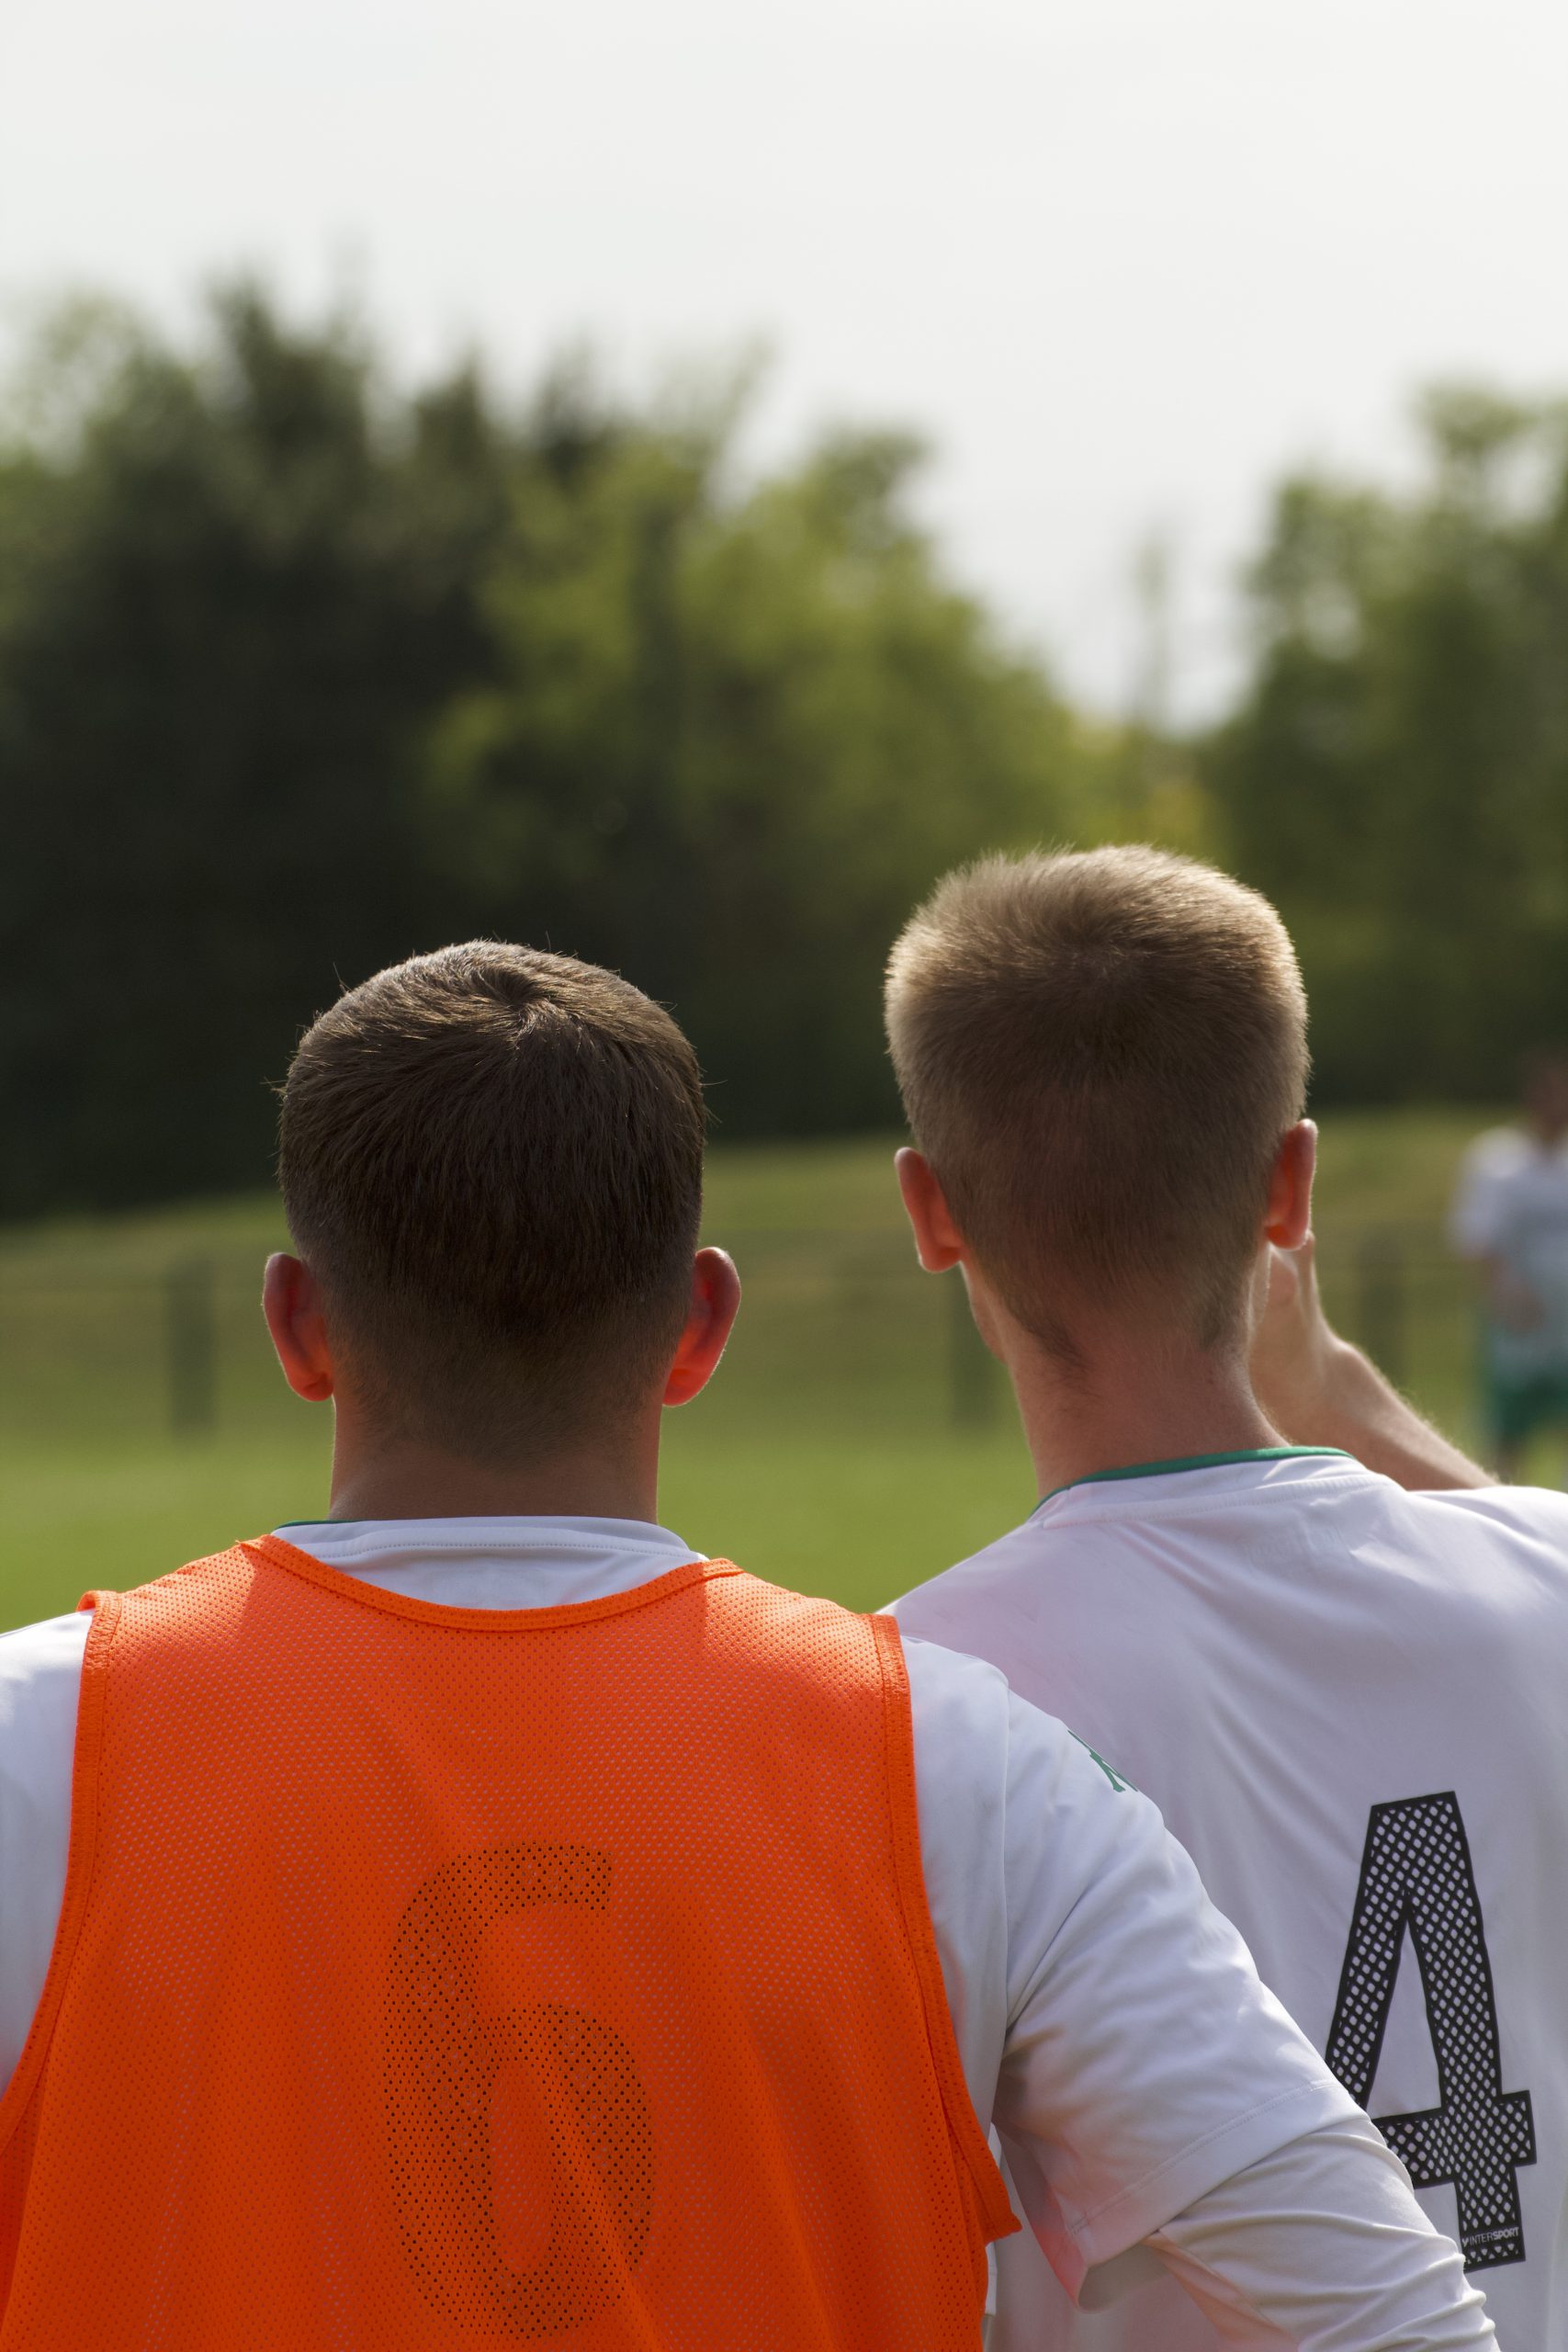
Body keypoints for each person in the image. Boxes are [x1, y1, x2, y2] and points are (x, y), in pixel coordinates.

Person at [0, 944, 1491, 2349]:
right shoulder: (962, 1771)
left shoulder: (39, 1750)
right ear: (702, 1324)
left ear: (296, 1326)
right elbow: (1385, 2313)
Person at [886, 847, 1568, 2352]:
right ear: (1291, 1187)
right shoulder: (1537, 1579)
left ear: (931, 1214)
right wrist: (1344, 1398)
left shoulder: (896, 1698)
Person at [1451, 1050, 1568, 1479]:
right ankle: (1501, 1513)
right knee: (1507, 1431)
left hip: (1566, 1327)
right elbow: (1477, 1239)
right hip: (1518, 1328)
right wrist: (1505, 1296)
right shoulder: (1498, 1162)